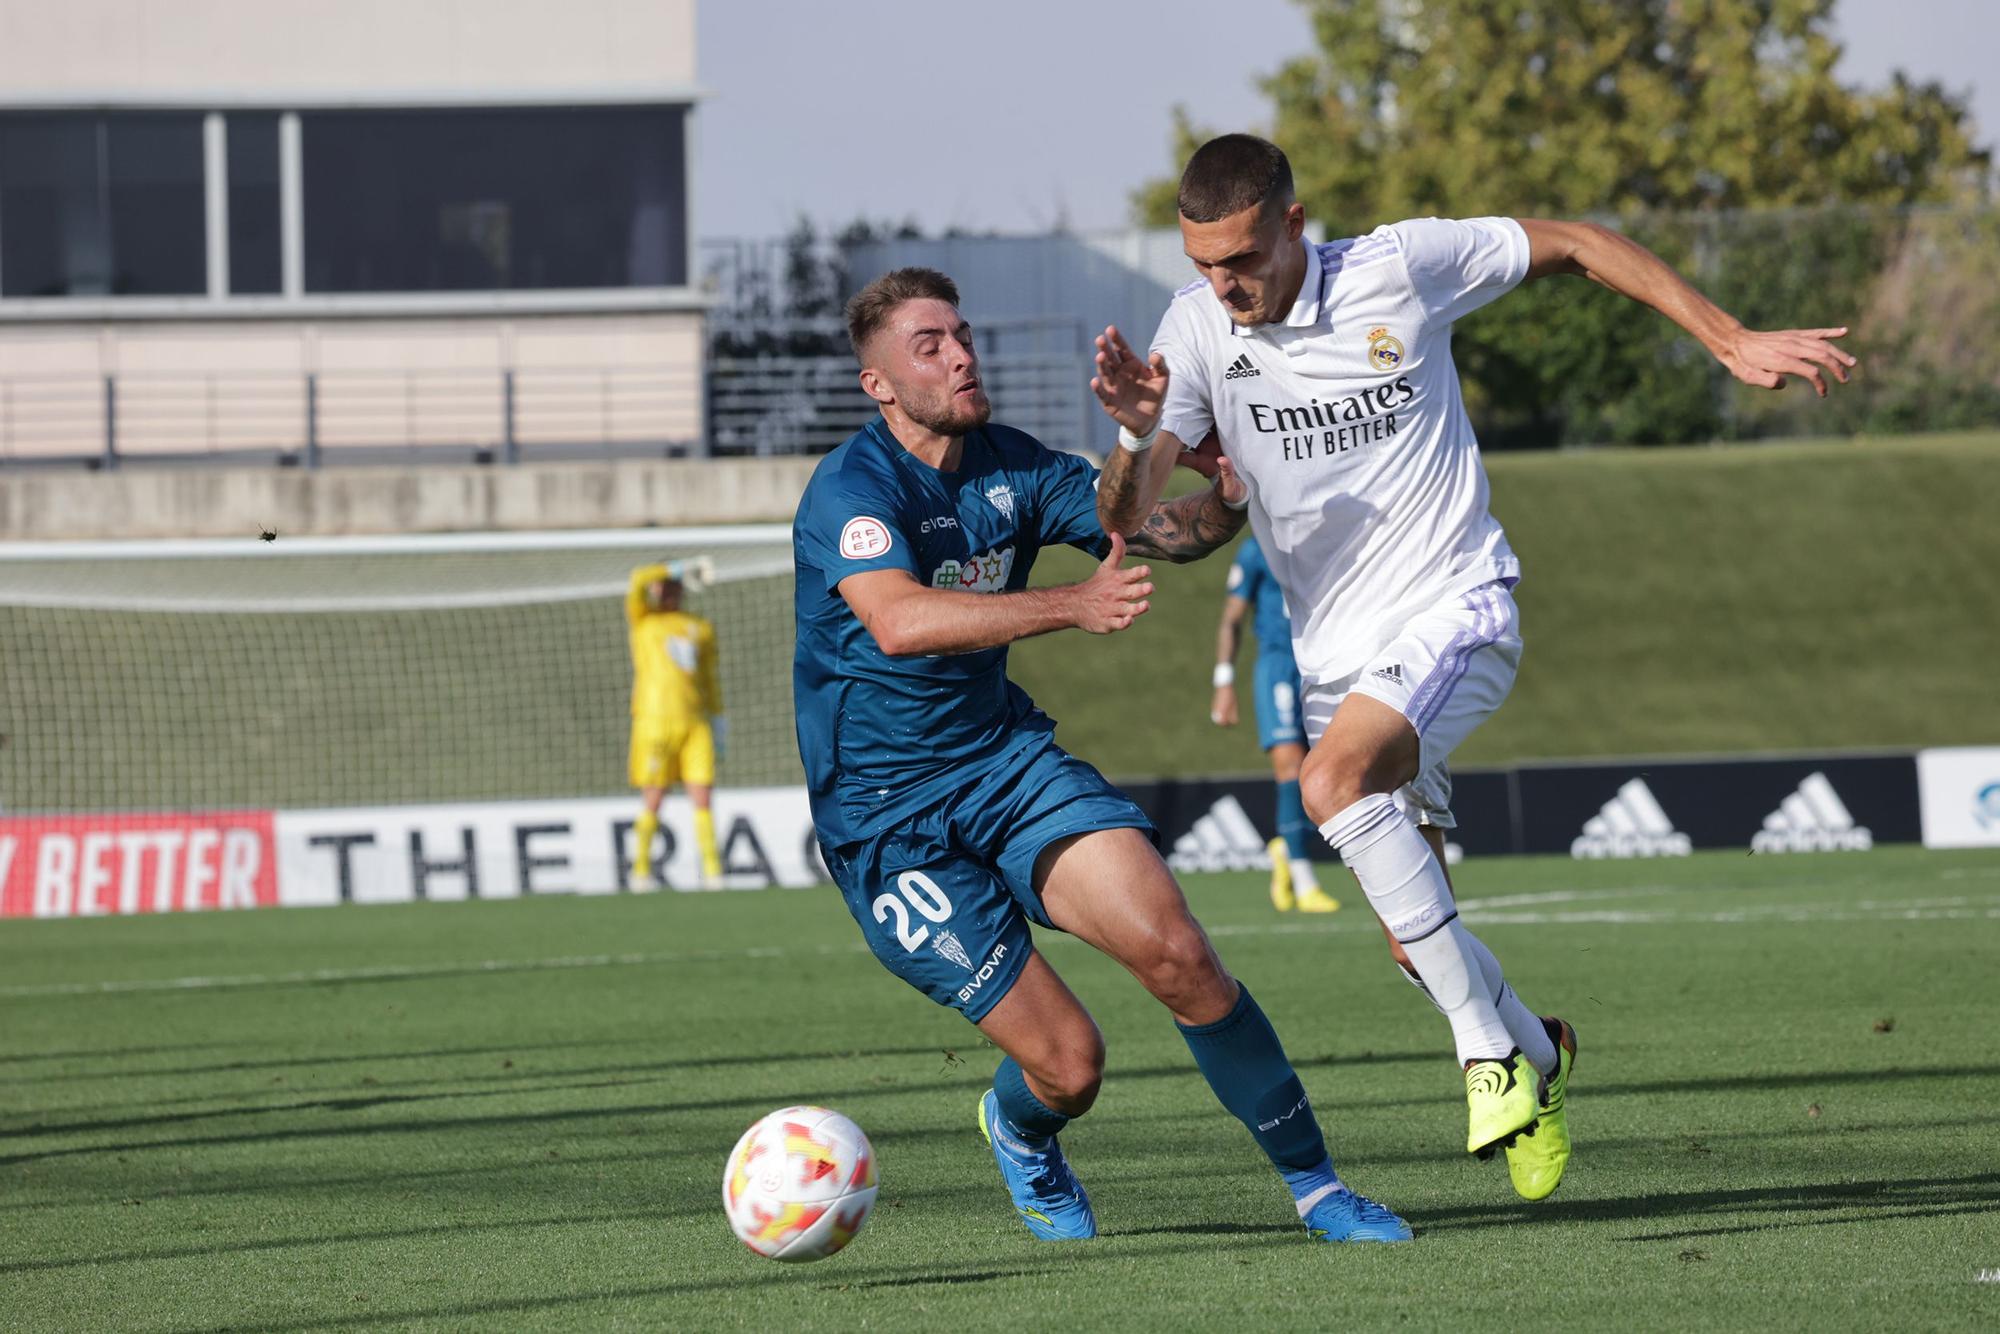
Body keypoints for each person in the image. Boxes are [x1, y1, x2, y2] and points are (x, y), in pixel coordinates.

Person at [1093, 134, 1854, 1201]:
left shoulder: (1399, 266)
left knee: (1329, 784)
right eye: (1204, 263)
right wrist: (1133, 436)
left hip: (1456, 607)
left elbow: (1580, 243)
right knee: (1417, 937)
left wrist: (1724, 340)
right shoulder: (1194, 329)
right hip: (1337, 664)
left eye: (1242, 260)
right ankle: (1537, 1052)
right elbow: (1131, 520)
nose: (1224, 284)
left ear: (1294, 225)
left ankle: (1483, 1054)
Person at [792, 266, 1410, 1244]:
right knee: (1070, 1065)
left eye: (960, 334)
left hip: (1004, 766)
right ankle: (1019, 1124)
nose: (959, 353)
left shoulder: (1012, 465)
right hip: (885, 820)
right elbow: (900, 621)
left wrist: (1216, 494)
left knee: (1180, 953)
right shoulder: (850, 489)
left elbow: (1142, 529)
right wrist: (1066, 604)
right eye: (928, 344)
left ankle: (1318, 1188)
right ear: (877, 383)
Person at [1211, 534, 1341, 914]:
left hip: (1321, 667)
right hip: (1278, 668)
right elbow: (1231, 619)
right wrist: (1223, 683)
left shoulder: (1326, 541)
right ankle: (1304, 881)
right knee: (1290, 766)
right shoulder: (1257, 549)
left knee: (1324, 771)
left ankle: (1286, 848)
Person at [625, 560, 725, 891]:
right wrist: (676, 568)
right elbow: (638, 578)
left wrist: (718, 718)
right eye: (663, 585)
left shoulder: (698, 626)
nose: (666, 590)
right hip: (654, 722)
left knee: (703, 795)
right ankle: (640, 870)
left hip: (695, 723)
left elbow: (709, 678)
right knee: (654, 796)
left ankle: (712, 871)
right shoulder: (643, 620)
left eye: (672, 586)